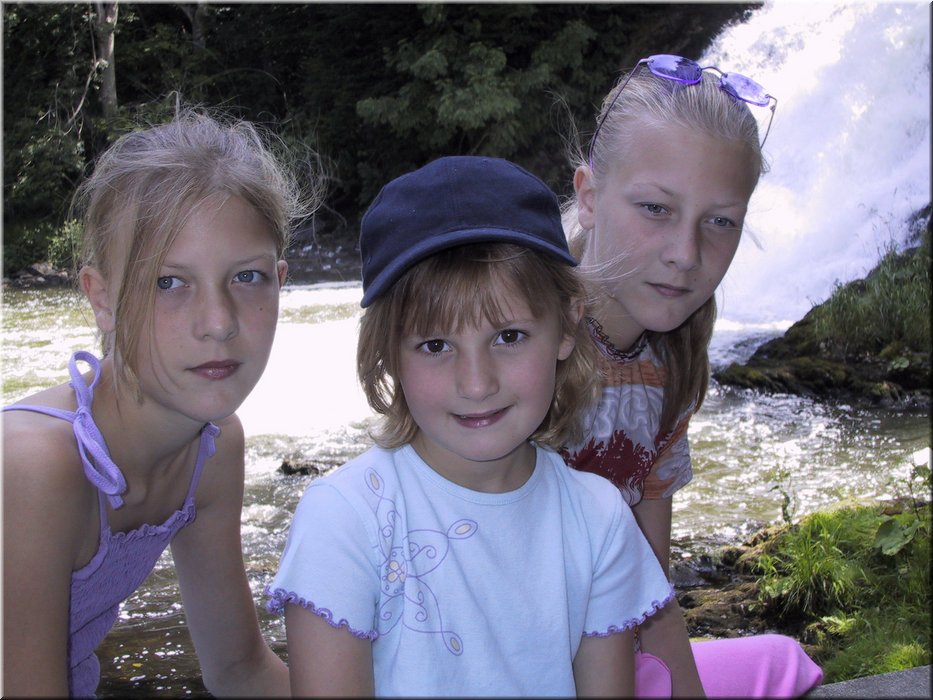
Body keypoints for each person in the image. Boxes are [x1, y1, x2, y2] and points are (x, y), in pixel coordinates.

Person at [266, 155, 675, 697]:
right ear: (387, 352)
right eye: (436, 345)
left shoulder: (598, 519)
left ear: (567, 325)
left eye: (509, 336)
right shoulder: (345, 520)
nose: (477, 383)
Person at [2, 108, 313, 697]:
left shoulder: (212, 448)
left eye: (247, 277)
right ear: (101, 298)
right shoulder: (35, 466)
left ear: (280, 279)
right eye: (168, 283)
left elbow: (240, 669)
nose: (217, 322)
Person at [561, 54, 823, 697]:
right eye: (656, 208)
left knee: (786, 665)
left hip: (604, 648)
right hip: (497, 654)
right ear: (589, 196)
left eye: (720, 221)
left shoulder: (670, 360)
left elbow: (650, 584)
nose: (685, 254)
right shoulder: (521, 345)